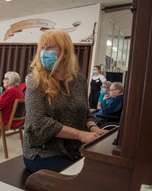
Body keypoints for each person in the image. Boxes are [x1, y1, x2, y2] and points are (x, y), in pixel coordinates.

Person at [23, 29, 108, 173]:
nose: (44, 52)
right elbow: (38, 121)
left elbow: (84, 113)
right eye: (42, 48)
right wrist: (80, 134)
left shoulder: (79, 80)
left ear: (65, 51)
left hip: (74, 150)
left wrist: (94, 129)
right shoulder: (35, 80)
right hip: (43, 152)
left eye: (50, 47)